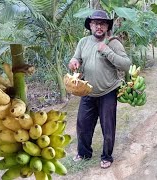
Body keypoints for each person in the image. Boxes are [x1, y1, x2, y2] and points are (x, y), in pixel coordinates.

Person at [68, 10, 131, 169]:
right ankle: (83, 153)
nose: (99, 26)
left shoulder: (113, 43)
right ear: (90, 25)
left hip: (108, 91)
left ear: (107, 26)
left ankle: (107, 156)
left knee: (108, 126)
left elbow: (126, 65)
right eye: (95, 23)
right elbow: (77, 58)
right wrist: (74, 61)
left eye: (102, 23)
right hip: (87, 91)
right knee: (83, 125)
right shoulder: (83, 42)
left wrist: (107, 50)